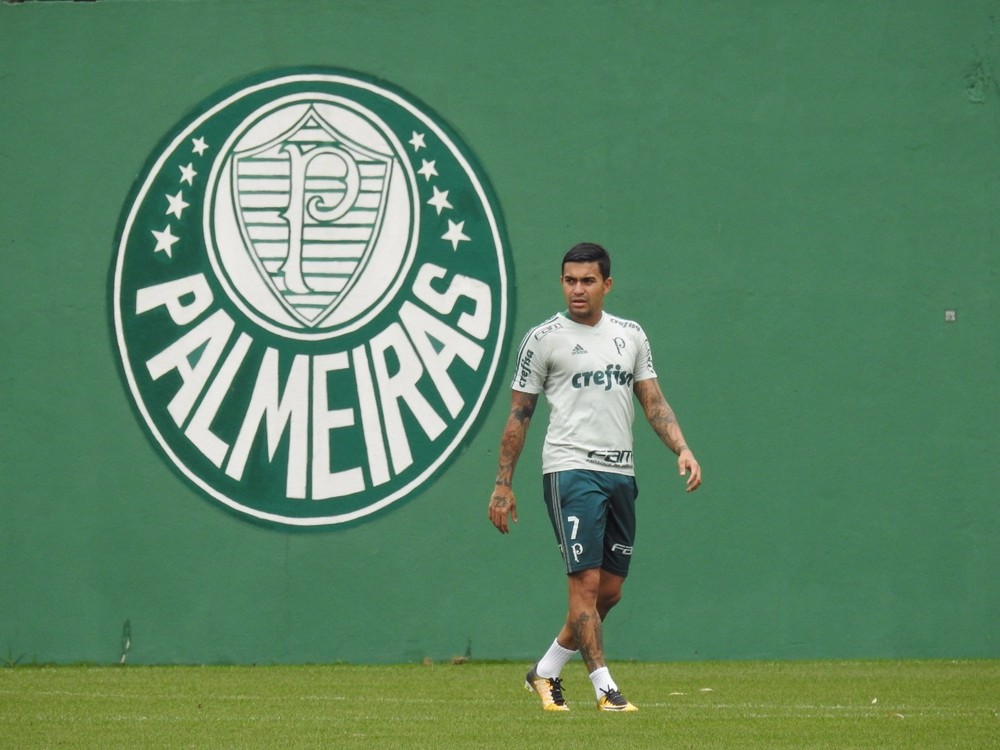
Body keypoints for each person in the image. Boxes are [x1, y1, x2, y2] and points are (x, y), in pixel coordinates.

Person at [488, 242, 702, 712]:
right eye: (569, 280)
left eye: (587, 281)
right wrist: (504, 483)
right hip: (569, 471)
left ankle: (544, 671)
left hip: (620, 473)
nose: (577, 289)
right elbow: (518, 417)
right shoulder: (543, 339)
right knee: (583, 585)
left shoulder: (631, 334)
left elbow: (653, 401)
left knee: (609, 592)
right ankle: (606, 689)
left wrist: (682, 448)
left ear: (607, 284)